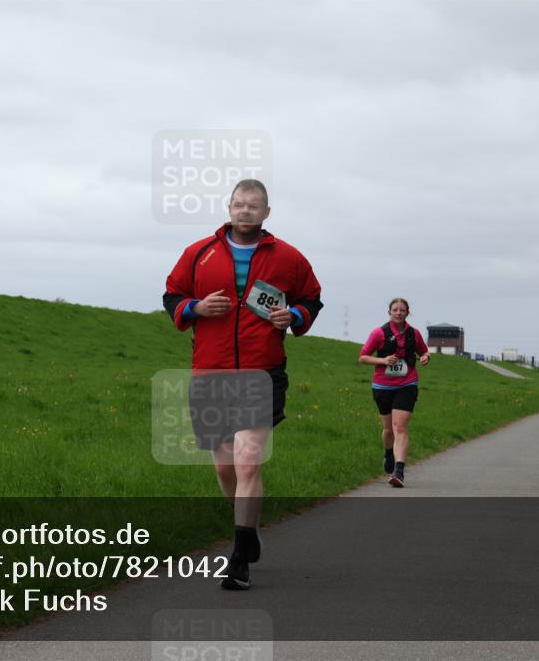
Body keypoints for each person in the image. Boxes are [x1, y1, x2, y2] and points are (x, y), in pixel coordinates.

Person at [162, 179, 323, 590]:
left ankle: (238, 556)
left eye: (253, 205)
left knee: (248, 461)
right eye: (238, 204)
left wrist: (297, 318)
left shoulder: (288, 257)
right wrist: (194, 307)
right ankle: (247, 529)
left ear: (266, 212)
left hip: (261, 372)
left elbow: (310, 298)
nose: (245, 211)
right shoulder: (199, 253)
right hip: (210, 372)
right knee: (224, 466)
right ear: (229, 208)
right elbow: (171, 295)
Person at [358, 298, 430, 488]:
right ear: (389, 312)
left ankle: (399, 471)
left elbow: (424, 351)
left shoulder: (414, 334)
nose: (398, 312)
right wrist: (382, 361)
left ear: (407, 312)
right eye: (395, 309)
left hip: (407, 383)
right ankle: (388, 453)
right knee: (389, 429)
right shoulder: (379, 333)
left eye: (402, 310)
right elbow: (363, 357)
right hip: (383, 386)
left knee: (400, 427)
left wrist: (425, 357)